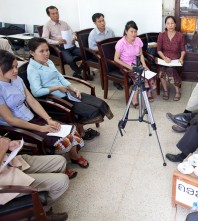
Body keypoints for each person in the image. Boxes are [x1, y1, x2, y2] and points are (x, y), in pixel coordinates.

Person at [0, 49, 89, 178]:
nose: (15, 70)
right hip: (16, 126)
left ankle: (74, 156)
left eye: (15, 66)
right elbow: (10, 120)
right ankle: (58, 167)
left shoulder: (16, 79)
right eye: (10, 68)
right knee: (56, 138)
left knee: (69, 128)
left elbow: (32, 101)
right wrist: (41, 128)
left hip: (30, 117)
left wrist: (48, 119)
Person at [27, 37, 114, 140]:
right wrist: (57, 88)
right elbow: (36, 92)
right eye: (41, 51)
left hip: (66, 93)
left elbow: (60, 77)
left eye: (47, 50)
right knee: (87, 109)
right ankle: (81, 133)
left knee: (98, 103)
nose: (46, 53)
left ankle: (81, 131)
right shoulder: (32, 69)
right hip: (54, 100)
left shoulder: (48, 62)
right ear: (32, 53)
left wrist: (73, 88)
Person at [0, 137, 69, 221]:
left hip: (8, 161)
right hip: (4, 181)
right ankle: (41, 213)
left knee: (60, 161)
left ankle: (41, 205)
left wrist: (9, 143)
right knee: (62, 181)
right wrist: (3, 149)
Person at [42, 6, 93, 81]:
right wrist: (57, 42)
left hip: (71, 46)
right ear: (49, 15)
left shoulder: (64, 23)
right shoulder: (47, 25)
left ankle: (78, 72)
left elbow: (73, 33)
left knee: (87, 54)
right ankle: (80, 73)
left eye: (56, 13)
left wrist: (72, 38)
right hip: (61, 48)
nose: (56, 15)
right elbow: (44, 39)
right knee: (70, 60)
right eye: (53, 14)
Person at [114, 20, 156, 106]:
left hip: (137, 65)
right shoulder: (121, 43)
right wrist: (129, 67)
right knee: (139, 78)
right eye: (131, 31)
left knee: (150, 75)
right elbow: (116, 59)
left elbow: (140, 54)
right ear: (126, 32)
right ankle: (134, 98)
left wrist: (144, 64)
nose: (134, 34)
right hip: (125, 66)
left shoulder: (138, 40)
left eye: (135, 31)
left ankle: (149, 92)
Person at [88, 12, 123, 90]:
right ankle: (115, 80)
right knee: (112, 60)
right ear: (94, 23)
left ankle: (120, 76)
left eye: (103, 20)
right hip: (98, 54)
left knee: (121, 56)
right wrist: (102, 49)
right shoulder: (92, 34)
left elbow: (114, 43)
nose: (102, 23)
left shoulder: (110, 31)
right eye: (99, 21)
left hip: (110, 52)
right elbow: (91, 47)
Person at [157, 15, 186, 101]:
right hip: (165, 60)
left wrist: (181, 58)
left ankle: (177, 91)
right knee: (161, 70)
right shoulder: (161, 35)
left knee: (171, 70)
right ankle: (166, 90)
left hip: (175, 60)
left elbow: (183, 50)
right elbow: (158, 50)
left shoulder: (180, 36)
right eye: (168, 23)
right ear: (165, 25)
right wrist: (165, 58)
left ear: (175, 24)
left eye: (172, 23)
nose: (170, 25)